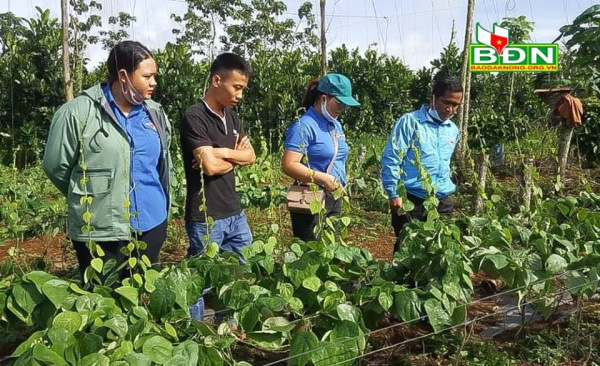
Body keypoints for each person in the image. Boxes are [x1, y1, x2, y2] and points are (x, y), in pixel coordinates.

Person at [43, 41, 172, 283]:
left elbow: (162, 163)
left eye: (154, 76)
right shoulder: (78, 112)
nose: (154, 82)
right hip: (101, 229)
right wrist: (89, 195)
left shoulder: (154, 112)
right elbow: (56, 166)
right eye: (147, 76)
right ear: (123, 75)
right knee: (104, 299)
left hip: (151, 222)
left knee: (142, 294)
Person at [381, 76, 463, 252]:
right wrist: (393, 193)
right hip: (412, 200)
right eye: (446, 102)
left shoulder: (453, 130)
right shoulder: (410, 122)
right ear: (433, 98)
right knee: (409, 251)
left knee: (438, 252)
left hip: (441, 200)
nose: (450, 109)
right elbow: (392, 158)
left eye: (455, 105)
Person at [282, 73, 360, 241]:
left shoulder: (335, 125)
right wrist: (323, 179)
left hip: (335, 195)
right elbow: (289, 164)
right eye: (338, 103)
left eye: (345, 105)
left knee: (330, 250)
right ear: (323, 98)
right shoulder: (304, 126)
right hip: (312, 196)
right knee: (312, 252)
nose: (342, 109)